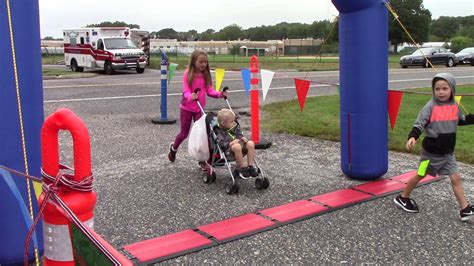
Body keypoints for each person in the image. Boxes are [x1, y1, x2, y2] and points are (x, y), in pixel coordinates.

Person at [393, 73, 474, 221]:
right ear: (433, 90)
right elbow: (419, 124)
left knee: (456, 178)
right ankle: (403, 197)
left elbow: (460, 120)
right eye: (437, 89)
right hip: (430, 154)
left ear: (452, 89)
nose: (441, 92)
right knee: (420, 174)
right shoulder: (430, 106)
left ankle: (465, 209)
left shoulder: (453, 105)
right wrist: (413, 137)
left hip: (448, 153)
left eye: (445, 88)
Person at [168, 49, 226, 163]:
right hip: (187, 108)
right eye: (201, 62)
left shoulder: (206, 75)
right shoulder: (187, 74)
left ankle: (203, 160)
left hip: (199, 109)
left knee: (203, 135)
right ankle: (173, 149)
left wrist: (220, 94)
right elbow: (186, 91)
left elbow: (209, 91)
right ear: (194, 61)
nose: (203, 64)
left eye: (205, 62)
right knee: (184, 134)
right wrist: (191, 96)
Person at [215, 108, 259, 178]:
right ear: (223, 123)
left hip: (239, 148)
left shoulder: (234, 127)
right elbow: (220, 144)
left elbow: (239, 135)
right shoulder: (218, 131)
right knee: (237, 146)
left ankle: (250, 166)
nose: (234, 123)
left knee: (250, 143)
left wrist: (242, 138)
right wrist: (231, 143)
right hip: (228, 151)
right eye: (232, 121)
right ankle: (242, 168)